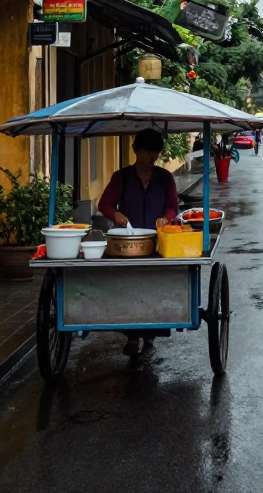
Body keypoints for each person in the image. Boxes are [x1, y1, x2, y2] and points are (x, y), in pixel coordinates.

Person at [96, 128, 178, 357]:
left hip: (156, 242)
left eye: (155, 153)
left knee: (152, 287)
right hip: (128, 245)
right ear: (135, 150)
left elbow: (173, 205)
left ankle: (150, 337)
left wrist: (167, 217)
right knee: (128, 287)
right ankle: (132, 336)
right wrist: (116, 215)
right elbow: (105, 204)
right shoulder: (121, 177)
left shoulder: (165, 178)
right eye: (146, 153)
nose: (151, 159)